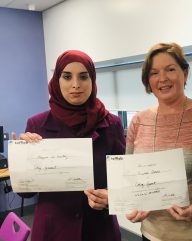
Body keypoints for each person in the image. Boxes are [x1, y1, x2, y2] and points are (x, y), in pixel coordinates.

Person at [14, 50, 125, 241]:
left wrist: (110, 198)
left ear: (93, 81)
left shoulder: (112, 124)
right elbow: (26, 192)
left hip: (99, 229)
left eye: (83, 77)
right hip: (53, 230)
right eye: (67, 77)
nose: (75, 84)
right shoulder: (37, 125)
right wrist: (22, 162)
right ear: (57, 81)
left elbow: (123, 180)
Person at [125, 43, 192, 241]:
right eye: (154, 73)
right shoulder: (139, 120)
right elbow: (130, 174)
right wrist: (131, 204)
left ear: (185, 73)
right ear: (148, 80)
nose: (162, 79)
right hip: (151, 232)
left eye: (170, 69)